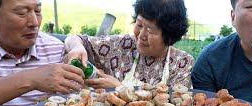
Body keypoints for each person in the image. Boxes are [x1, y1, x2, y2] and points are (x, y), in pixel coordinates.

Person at [65, 0, 194, 89]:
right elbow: (74, 39)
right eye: (139, 25)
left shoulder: (181, 63)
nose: (141, 35)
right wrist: (77, 47)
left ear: (169, 35)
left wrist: (120, 89)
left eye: (150, 30)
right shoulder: (122, 45)